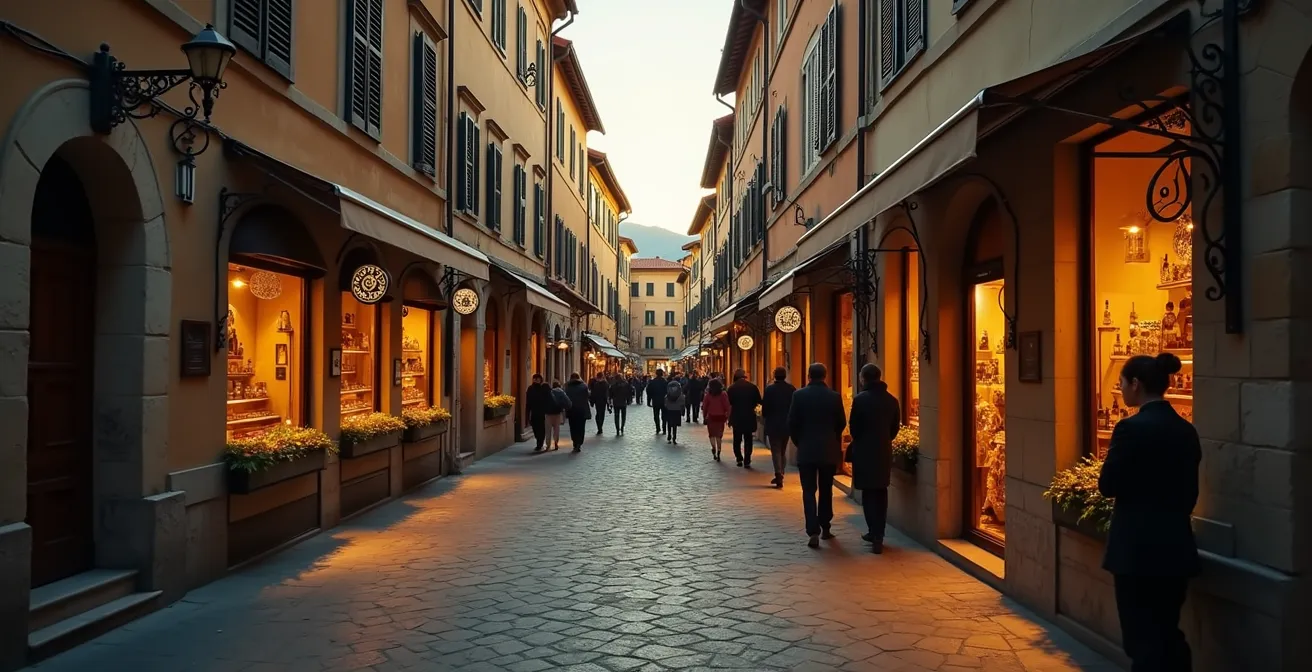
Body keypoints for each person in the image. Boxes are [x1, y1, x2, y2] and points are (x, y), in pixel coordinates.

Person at [1099, 353, 1199, 672]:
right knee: (1167, 632)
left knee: (1141, 638)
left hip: (1136, 551)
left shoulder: (1131, 429)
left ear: (1136, 384)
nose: (1122, 389)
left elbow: (1108, 484)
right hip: (1176, 547)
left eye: (1123, 383)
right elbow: (1190, 493)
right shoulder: (1186, 430)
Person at [788, 362, 846, 548]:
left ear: (808, 376)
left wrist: (800, 442)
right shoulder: (834, 397)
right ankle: (825, 525)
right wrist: (832, 439)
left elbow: (792, 424)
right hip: (828, 450)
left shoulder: (799, 395)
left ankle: (812, 530)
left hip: (806, 449)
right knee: (826, 489)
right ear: (825, 376)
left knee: (808, 491)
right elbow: (841, 423)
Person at [847, 364, 901, 553]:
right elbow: (895, 428)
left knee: (869, 493)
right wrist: (884, 439)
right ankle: (880, 533)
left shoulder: (860, 400)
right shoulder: (892, 400)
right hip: (883, 451)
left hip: (864, 451)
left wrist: (861, 440)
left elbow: (853, 427)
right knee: (881, 491)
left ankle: (873, 532)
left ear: (863, 378)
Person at [761, 367, 797, 488]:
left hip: (773, 423)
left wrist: (764, 416)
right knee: (782, 450)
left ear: (774, 376)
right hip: (786, 424)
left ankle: (778, 473)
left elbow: (765, 408)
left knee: (775, 450)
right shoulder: (791, 389)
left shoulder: (769, 390)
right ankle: (781, 472)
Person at [727, 369, 762, 468]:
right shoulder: (753, 387)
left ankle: (739, 458)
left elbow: (728, 404)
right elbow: (759, 401)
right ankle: (747, 459)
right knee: (748, 438)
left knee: (737, 439)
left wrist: (729, 418)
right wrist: (756, 412)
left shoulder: (731, 388)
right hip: (749, 416)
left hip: (736, 417)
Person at [701, 377, 730, 461]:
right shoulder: (723, 394)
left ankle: (713, 447)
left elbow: (705, 407)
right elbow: (727, 406)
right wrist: (727, 416)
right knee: (719, 435)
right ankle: (719, 450)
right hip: (721, 417)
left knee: (712, 434)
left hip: (711, 417)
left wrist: (704, 416)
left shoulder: (708, 395)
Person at [525, 373, 555, 452]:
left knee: (541, 428)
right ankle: (539, 440)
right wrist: (528, 412)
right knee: (535, 428)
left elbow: (549, 397)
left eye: (538, 379)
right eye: (535, 379)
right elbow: (528, 401)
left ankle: (540, 443)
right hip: (534, 411)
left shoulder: (544, 387)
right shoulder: (530, 388)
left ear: (541, 379)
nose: (536, 380)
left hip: (543, 412)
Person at [563, 373, 592, 452]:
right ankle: (579, 443)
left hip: (571, 410)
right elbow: (588, 395)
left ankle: (575, 442)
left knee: (573, 427)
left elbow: (565, 397)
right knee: (581, 427)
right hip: (582, 410)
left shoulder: (567, 386)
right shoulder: (584, 386)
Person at [546, 381, 569, 451]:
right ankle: (556, 442)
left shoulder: (549, 392)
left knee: (548, 429)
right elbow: (567, 401)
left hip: (548, 413)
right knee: (556, 429)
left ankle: (548, 445)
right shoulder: (561, 392)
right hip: (557, 413)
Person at [647, 369, 669, 434]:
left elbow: (649, 392)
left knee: (656, 415)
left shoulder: (652, 382)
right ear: (662, 374)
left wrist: (649, 401)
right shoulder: (665, 382)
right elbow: (668, 392)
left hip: (655, 401)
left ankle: (658, 428)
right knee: (664, 415)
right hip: (663, 401)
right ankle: (664, 428)